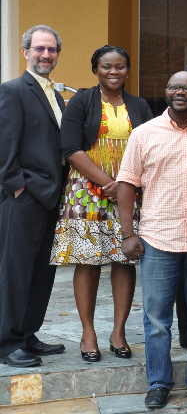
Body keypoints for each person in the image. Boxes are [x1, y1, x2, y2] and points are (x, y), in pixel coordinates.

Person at [116, 72, 187, 409]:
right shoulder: (144, 134)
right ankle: (159, 382)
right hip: (157, 237)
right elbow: (127, 184)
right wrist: (128, 233)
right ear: (165, 92)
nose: (180, 92)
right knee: (156, 318)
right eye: (173, 87)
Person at [50, 45, 154, 362]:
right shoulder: (82, 100)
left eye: (120, 66)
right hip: (87, 191)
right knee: (88, 260)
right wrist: (108, 183)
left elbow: (151, 147)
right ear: (95, 69)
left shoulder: (140, 104)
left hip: (129, 192)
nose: (113, 72)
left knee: (125, 258)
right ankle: (88, 333)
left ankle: (119, 332)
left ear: (127, 70)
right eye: (107, 66)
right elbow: (70, 147)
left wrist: (125, 185)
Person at [0, 25, 68, 368]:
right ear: (25, 52)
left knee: (42, 271)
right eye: (39, 49)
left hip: (51, 198)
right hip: (23, 198)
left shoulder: (55, 94)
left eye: (52, 49)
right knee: (14, 272)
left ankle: (27, 334)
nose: (46, 55)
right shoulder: (12, 90)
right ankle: (7, 341)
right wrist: (18, 185)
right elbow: (4, 146)